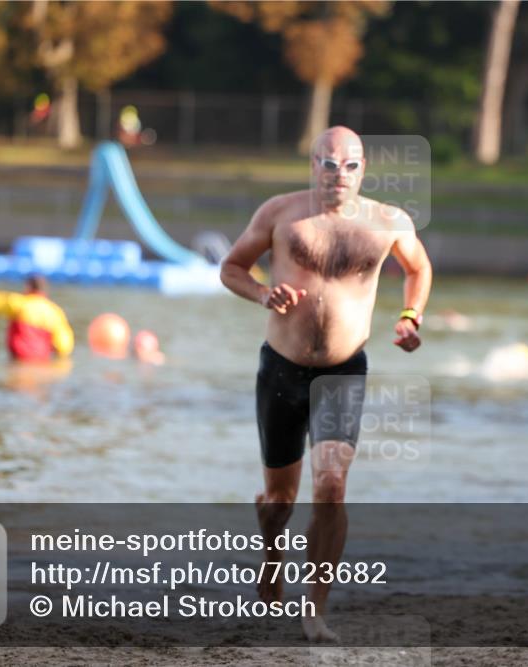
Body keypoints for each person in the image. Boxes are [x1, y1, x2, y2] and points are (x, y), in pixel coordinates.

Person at [220, 126, 432, 642]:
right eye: (329, 164)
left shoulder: (388, 221)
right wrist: (263, 292)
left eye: (350, 165)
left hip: (343, 371)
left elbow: (419, 268)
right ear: (312, 165)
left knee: (331, 487)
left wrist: (411, 315)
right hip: (281, 369)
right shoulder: (280, 213)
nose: (340, 175)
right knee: (279, 501)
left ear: (364, 169)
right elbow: (230, 268)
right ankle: (273, 553)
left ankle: (315, 611)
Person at [0, 275, 74, 362]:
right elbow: (64, 346)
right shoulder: (55, 312)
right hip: (42, 362)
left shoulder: (20, 304)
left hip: (20, 360)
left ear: (28, 287)